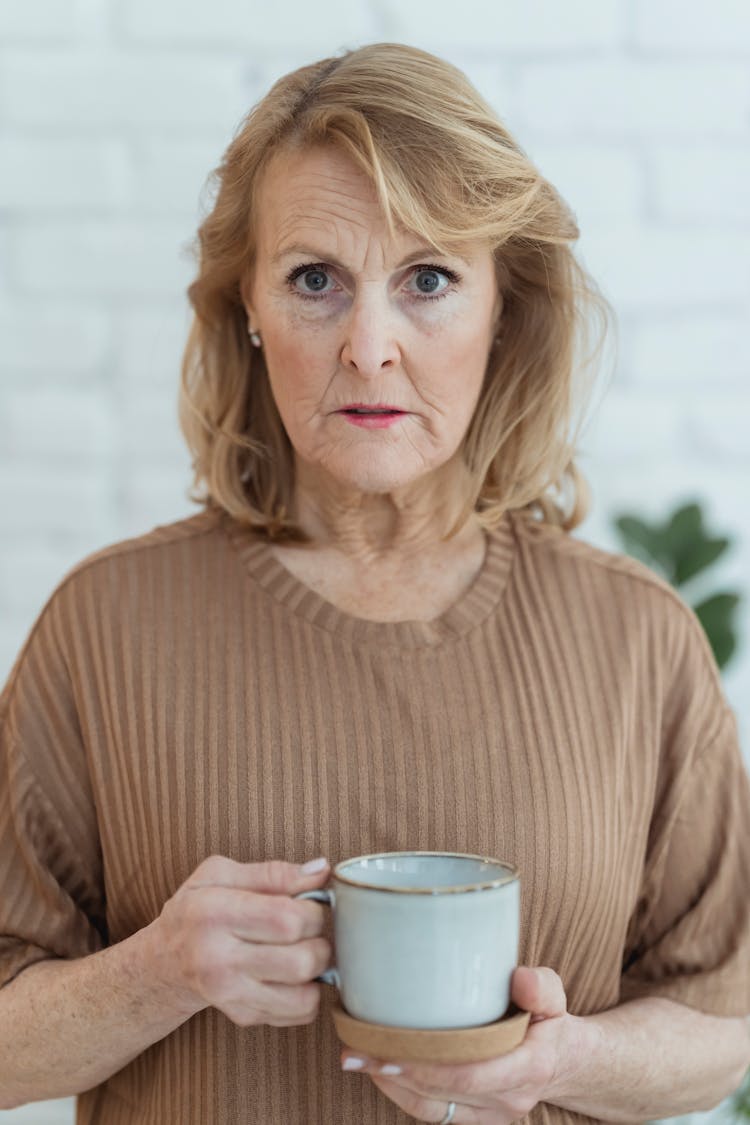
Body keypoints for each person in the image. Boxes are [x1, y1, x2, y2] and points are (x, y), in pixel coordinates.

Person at [0, 41, 748, 1125]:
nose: (369, 346)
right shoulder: (105, 628)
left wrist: (561, 1063)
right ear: (249, 310)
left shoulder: (640, 639)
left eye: (429, 280)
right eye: (316, 280)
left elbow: (722, 1027)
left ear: (505, 310)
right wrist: (155, 972)